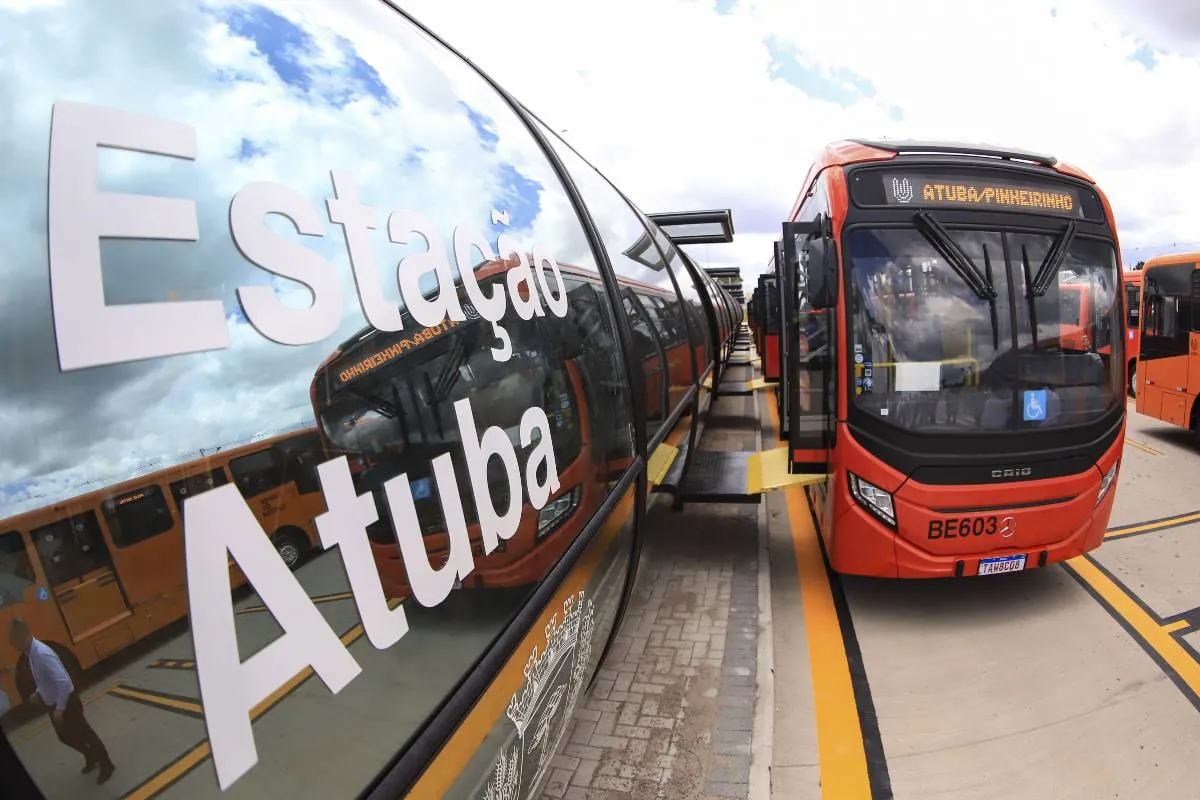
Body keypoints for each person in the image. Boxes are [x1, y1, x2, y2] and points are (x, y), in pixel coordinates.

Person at [7, 619, 114, 784]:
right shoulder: (31, 654)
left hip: (66, 701)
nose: (12, 645)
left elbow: (64, 682)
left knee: (85, 732)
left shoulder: (41, 654)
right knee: (64, 736)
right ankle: (91, 756)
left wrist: (60, 708)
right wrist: (38, 693)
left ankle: (107, 764)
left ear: (22, 636)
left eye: (13, 640)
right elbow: (44, 680)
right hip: (54, 702)